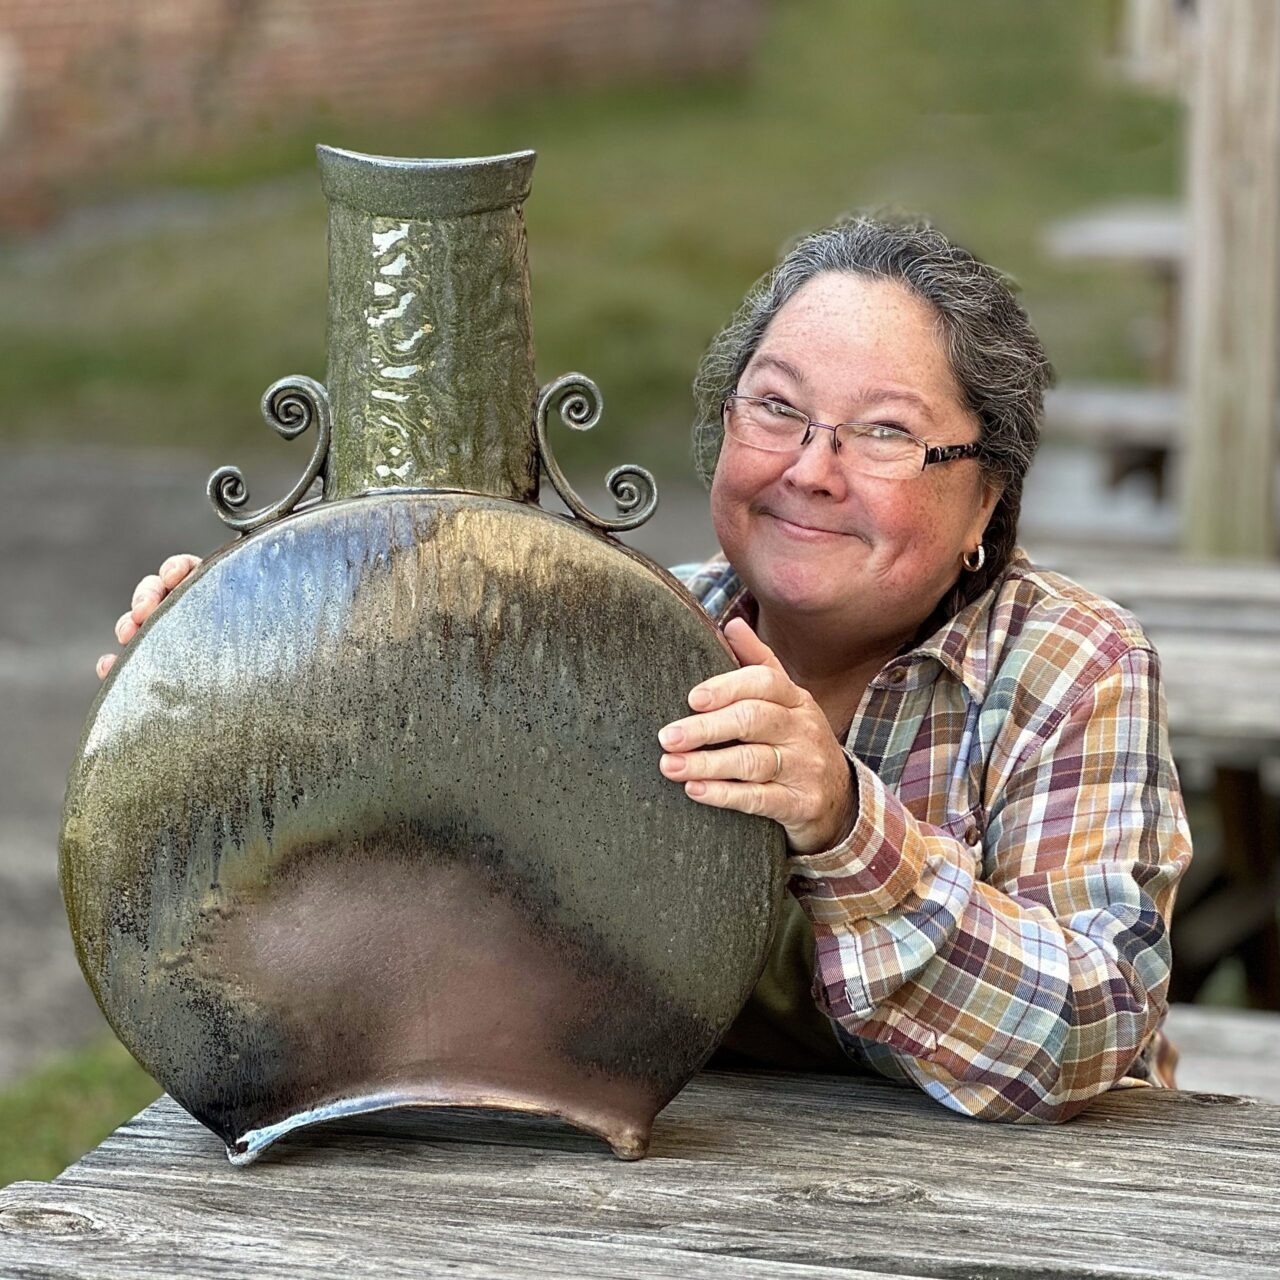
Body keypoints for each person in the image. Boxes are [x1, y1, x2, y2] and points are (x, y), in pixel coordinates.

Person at [97, 214, 1192, 1124]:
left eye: (882, 433)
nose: (810, 470)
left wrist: (845, 822)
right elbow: (393, 786)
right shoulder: (611, 628)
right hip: (659, 1184)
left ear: (986, 496)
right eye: (776, 407)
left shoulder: (1068, 663)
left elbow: (1088, 1030)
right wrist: (218, 667)